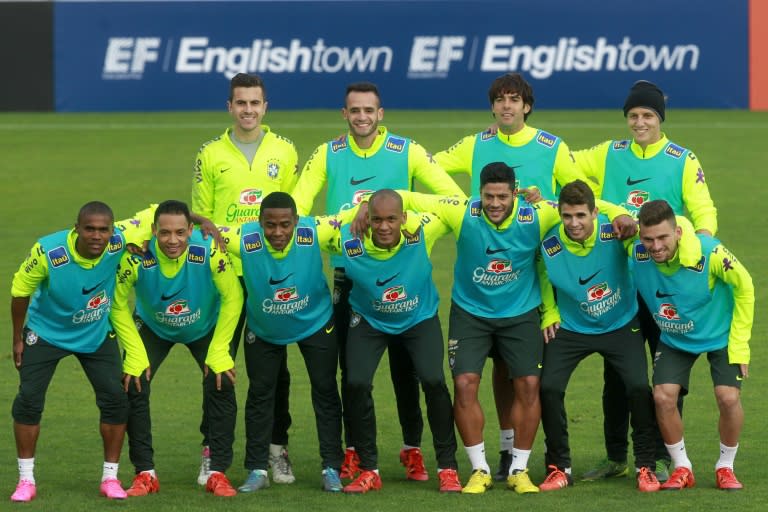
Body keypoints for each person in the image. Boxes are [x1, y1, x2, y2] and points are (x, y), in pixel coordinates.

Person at [394, 164, 636, 495]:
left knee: (529, 384)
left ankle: (518, 469)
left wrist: (622, 214)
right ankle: (479, 469)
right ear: (479, 194)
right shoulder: (462, 211)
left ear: (514, 193)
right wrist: (367, 205)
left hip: (521, 313)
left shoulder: (536, 213)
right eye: (488, 196)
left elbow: (591, 206)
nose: (495, 203)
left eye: (502, 196)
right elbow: (409, 197)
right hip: (471, 313)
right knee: (464, 383)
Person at [291, 81, 464, 481]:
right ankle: (355, 451)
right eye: (355, 111)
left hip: (402, 271)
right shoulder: (327, 153)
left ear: (380, 113)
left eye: (369, 110)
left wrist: (381, 203)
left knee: (409, 370)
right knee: (352, 371)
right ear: (344, 115)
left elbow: (452, 198)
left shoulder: (408, 151)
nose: (362, 117)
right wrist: (342, 221)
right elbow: (299, 208)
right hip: (351, 273)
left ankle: (412, 449)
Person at [433, 73, 588, 479]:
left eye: (514, 100)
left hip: (534, 275)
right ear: (492, 107)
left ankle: (548, 459)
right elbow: (428, 168)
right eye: (500, 100)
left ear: (527, 106)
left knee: (524, 378)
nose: (506, 106)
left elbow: (580, 193)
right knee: (492, 374)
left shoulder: (551, 146)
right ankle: (502, 454)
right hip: (485, 269)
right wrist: (465, 203)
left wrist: (548, 200)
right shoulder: (476, 144)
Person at [574, 80, 718, 482]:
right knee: (617, 374)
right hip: (619, 282)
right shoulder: (608, 153)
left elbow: (704, 210)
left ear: (660, 119)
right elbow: (566, 173)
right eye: (633, 115)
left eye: (647, 116)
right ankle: (616, 455)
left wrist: (703, 249)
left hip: (666, 284)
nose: (639, 122)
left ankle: (665, 456)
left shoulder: (682, 159)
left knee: (667, 375)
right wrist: (611, 208)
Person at [191, 72, 298, 485]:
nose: (248, 110)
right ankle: (212, 452)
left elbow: (292, 213)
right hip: (223, 277)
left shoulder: (285, 151)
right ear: (230, 107)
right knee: (216, 364)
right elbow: (201, 219)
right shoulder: (209, 153)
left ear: (265, 106)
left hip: (268, 277)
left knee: (274, 372)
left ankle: (276, 449)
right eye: (241, 103)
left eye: (255, 103)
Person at [9, 202, 151, 502]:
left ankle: (110, 478)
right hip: (47, 332)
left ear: (113, 231)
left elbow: (159, 213)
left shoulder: (121, 241)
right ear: (77, 228)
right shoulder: (49, 252)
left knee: (115, 399)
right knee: (29, 400)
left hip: (94, 332)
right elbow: (20, 290)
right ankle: (25, 481)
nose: (97, 236)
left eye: (103, 230)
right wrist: (17, 338)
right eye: (89, 229)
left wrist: (202, 221)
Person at [326, 189, 462, 494]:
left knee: (433, 380)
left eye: (391, 219)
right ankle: (369, 469)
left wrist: (368, 201)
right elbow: (310, 226)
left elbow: (451, 204)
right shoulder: (346, 239)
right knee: (356, 383)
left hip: (418, 318)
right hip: (369, 320)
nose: (384, 227)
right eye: (377, 219)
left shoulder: (421, 230)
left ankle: (447, 467)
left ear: (403, 217)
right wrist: (355, 210)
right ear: (368, 220)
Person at [110, 200, 243, 497]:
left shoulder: (208, 248)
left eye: (180, 233)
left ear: (191, 230)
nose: (173, 240)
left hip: (205, 326)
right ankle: (145, 473)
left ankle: (218, 471)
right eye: (165, 233)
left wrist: (220, 348)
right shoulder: (137, 254)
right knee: (133, 383)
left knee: (221, 381)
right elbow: (116, 304)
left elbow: (233, 296)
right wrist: (134, 351)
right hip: (153, 327)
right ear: (154, 230)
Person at [536, 180, 659, 493]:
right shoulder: (549, 243)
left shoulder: (615, 232)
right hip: (572, 329)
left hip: (620, 324)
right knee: (548, 387)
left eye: (581, 215)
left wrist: (631, 229)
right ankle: (558, 467)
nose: (574, 223)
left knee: (637, 387)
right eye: (567, 216)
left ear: (595, 212)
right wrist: (550, 313)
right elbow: (540, 276)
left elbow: (644, 250)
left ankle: (645, 466)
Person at [219, 192, 346, 493]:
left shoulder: (314, 230)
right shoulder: (243, 238)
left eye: (285, 225)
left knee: (325, 391)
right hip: (264, 330)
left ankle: (331, 467)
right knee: (260, 395)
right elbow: (198, 229)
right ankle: (257, 469)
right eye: (270, 225)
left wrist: (366, 210)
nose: (278, 232)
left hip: (315, 323)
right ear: (258, 223)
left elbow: (352, 215)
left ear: (296, 222)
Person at [631, 200, 752, 491]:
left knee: (728, 398)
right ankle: (682, 467)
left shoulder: (709, 252)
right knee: (663, 397)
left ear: (678, 233)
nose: (655, 246)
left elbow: (745, 285)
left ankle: (725, 467)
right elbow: (598, 216)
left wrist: (740, 345)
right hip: (676, 336)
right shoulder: (635, 252)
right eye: (648, 239)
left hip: (720, 334)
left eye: (662, 238)